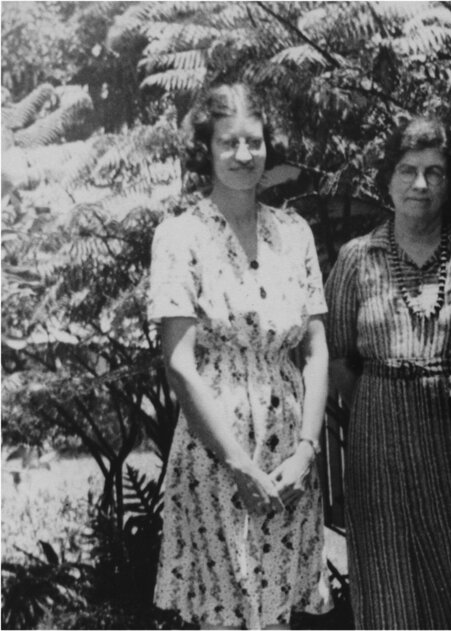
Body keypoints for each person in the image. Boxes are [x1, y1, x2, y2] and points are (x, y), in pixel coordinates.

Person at [149, 83, 331, 629]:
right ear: (205, 149)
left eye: (254, 141)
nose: (244, 154)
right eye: (229, 142)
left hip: (290, 458)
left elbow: (316, 351)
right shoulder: (180, 236)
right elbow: (180, 363)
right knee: (226, 612)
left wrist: (307, 451)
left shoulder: (294, 233)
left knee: (280, 613)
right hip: (218, 454)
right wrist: (238, 464)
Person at [325, 116, 451, 629]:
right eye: (407, 170)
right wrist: (384, 398)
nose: (420, 184)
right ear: (387, 180)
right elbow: (337, 357)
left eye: (434, 172)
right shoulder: (356, 260)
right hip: (379, 443)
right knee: (389, 579)